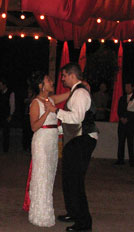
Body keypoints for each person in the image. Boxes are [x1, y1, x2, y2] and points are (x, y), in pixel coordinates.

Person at [45, 63, 98, 232]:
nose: (62, 79)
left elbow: (76, 118)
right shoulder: (76, 92)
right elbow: (72, 123)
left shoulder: (81, 92)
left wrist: (55, 111)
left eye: (64, 76)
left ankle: (84, 223)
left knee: (75, 182)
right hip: (75, 140)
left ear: (72, 75)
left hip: (82, 140)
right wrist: (56, 130)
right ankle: (73, 213)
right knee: (68, 180)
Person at [26, 71, 70, 227]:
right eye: (48, 80)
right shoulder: (35, 103)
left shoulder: (51, 99)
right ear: (41, 85)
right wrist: (47, 112)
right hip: (41, 141)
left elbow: (67, 94)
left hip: (52, 142)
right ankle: (40, 215)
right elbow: (34, 126)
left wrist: (80, 87)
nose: (52, 82)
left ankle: (44, 210)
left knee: (50, 176)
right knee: (42, 176)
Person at [115, 82, 134, 167]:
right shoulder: (122, 98)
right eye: (126, 87)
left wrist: (128, 119)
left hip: (131, 124)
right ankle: (120, 159)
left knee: (131, 143)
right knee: (121, 142)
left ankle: (132, 161)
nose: (127, 88)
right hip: (122, 124)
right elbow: (119, 109)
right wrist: (121, 118)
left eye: (128, 87)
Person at [0, 80, 15, 152]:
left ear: (4, 85)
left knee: (6, 132)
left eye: (0, 85)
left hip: (6, 115)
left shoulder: (10, 93)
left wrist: (10, 115)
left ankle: (5, 148)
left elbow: (12, 104)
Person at [22, 87, 34, 152]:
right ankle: (25, 146)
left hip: (31, 116)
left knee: (30, 132)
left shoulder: (34, 98)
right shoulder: (26, 96)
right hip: (26, 116)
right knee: (25, 132)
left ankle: (29, 146)